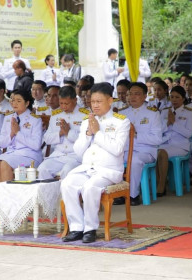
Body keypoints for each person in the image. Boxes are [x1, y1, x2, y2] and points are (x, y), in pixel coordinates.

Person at [61, 82, 130, 243]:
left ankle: (90, 229)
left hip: (108, 171)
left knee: (90, 187)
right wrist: (87, 133)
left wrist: (98, 132)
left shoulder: (121, 122)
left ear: (110, 101)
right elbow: (78, 151)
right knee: (67, 184)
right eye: (93, 102)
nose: (95, 105)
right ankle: (77, 227)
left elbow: (117, 149)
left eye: (99, 102)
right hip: (87, 168)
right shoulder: (87, 121)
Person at [119, 82, 162, 205]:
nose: (132, 97)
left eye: (136, 94)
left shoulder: (153, 113)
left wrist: (136, 135)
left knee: (135, 161)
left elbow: (157, 139)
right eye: (130, 94)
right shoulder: (122, 114)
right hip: (126, 150)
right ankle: (119, 192)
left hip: (146, 151)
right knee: (112, 159)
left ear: (144, 96)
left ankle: (133, 195)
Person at [0, 90, 42, 184]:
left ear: (27, 103)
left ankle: (9, 197)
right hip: (12, 153)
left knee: (5, 164)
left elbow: (36, 145)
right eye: (13, 100)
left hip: (29, 155)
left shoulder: (35, 119)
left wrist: (18, 133)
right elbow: (2, 143)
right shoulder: (8, 118)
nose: (14, 103)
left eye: (19, 101)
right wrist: (11, 134)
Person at [38, 86, 89, 180]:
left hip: (76, 156)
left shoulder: (85, 115)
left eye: (67, 103)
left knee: (67, 171)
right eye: (61, 103)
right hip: (58, 155)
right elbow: (47, 138)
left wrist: (69, 133)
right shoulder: (56, 115)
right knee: (42, 169)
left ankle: (63, 195)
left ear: (75, 100)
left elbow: (87, 140)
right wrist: (60, 134)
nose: (63, 107)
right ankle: (50, 194)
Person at [156, 86, 192, 196]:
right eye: (172, 97)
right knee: (153, 152)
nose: (174, 100)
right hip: (165, 143)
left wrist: (174, 123)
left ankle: (161, 186)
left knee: (162, 153)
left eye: (177, 97)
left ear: (183, 99)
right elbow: (158, 131)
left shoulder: (189, 112)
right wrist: (168, 123)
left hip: (181, 145)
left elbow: (189, 133)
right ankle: (157, 182)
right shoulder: (164, 111)